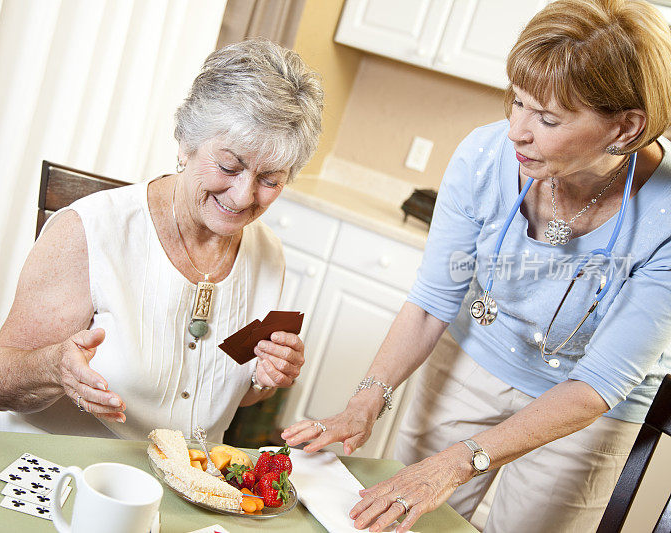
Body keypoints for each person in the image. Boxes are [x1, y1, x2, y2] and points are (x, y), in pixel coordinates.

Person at [283, 1, 671, 531]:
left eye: (547, 118)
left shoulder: (666, 216)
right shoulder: (485, 157)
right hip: (470, 360)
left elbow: (598, 384)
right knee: (409, 520)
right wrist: (364, 400)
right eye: (516, 101)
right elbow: (430, 304)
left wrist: (457, 462)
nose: (516, 130)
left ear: (626, 127)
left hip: (584, 407)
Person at [0, 38, 323, 443]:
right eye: (229, 165)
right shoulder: (90, 230)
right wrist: (54, 367)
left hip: (181, 485)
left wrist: (267, 376)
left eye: (270, 181)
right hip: (58, 469)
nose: (243, 196)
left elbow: (225, 391)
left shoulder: (269, 257)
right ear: (185, 143)